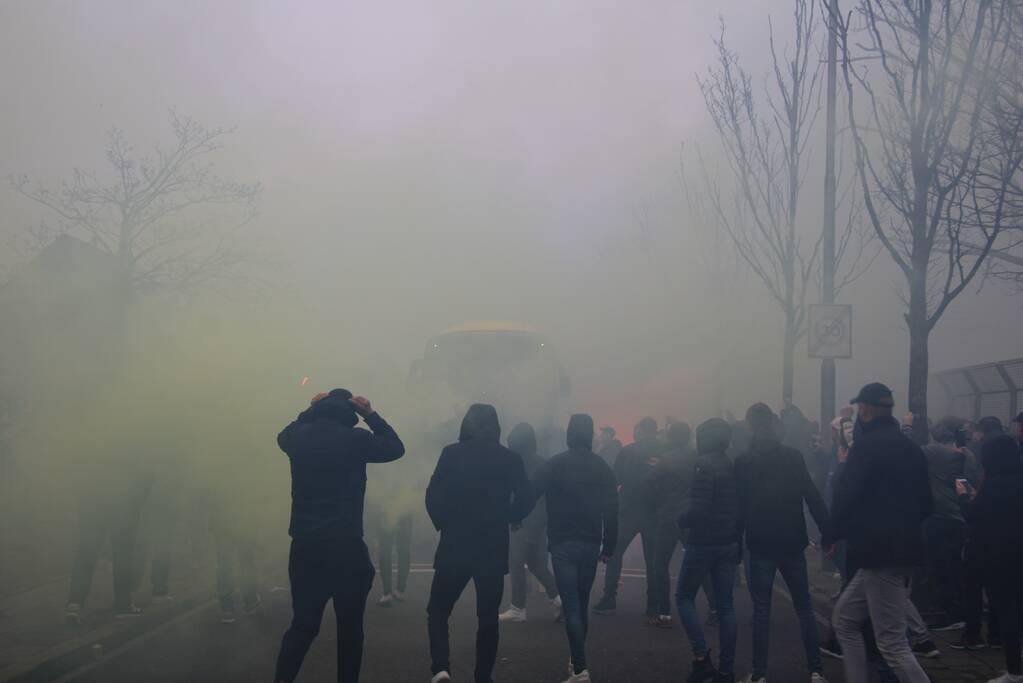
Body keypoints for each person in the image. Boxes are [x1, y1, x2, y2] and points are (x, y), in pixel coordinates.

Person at [273, 390, 405, 683]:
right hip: (346, 546)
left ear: (321, 409)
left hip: (305, 547)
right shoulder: (356, 439)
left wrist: (310, 409)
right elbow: (396, 448)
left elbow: (283, 435)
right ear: (349, 411)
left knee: (303, 624)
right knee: (350, 629)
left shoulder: (299, 438)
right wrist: (370, 414)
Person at [822, 383, 933, 683]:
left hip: (877, 552)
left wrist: (831, 534)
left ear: (865, 410)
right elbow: (927, 503)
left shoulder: (866, 447)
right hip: (903, 549)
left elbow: (846, 496)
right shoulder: (910, 449)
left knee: (892, 644)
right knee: (845, 620)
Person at [425, 404, 534, 683]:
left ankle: (441, 667)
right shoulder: (509, 458)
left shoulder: (451, 453)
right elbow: (526, 497)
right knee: (487, 617)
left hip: (455, 544)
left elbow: (433, 495)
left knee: (438, 609)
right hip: (492, 547)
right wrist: (509, 517)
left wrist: (444, 523)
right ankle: (482, 677)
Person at [734, 403, 830, 683]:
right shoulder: (792, 456)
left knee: (761, 610)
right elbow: (811, 495)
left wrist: (735, 542)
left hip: (760, 541)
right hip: (792, 540)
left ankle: (759, 674)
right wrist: (828, 532)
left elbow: (739, 508)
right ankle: (816, 671)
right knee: (804, 607)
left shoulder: (744, 461)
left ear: (750, 426)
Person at [533, 414, 619, 683]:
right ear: (590, 434)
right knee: (581, 602)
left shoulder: (555, 463)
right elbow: (612, 510)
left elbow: (530, 491)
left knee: (571, 604)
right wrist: (609, 545)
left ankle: (580, 669)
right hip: (591, 543)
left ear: (569, 433)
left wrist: (514, 516)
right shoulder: (601, 466)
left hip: (562, 543)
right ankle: (575, 660)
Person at [676, 418, 741, 683]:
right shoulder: (731, 463)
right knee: (726, 607)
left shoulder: (703, 464)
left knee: (683, 597)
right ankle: (726, 671)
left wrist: (682, 520)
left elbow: (699, 508)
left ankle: (702, 658)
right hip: (728, 541)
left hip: (703, 542)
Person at [957, 435, 1023, 683]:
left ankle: (1014, 671)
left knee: (1006, 611)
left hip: (997, 556)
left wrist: (963, 497)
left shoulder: (994, 485)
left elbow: (973, 515)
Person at [593, 417, 661, 616]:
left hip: (629, 509)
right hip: (654, 512)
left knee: (614, 553)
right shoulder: (664, 450)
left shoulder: (628, 451)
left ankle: (609, 598)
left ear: (641, 430)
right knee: (653, 561)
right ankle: (653, 606)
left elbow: (616, 479)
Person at [499, 423, 561, 623]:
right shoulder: (543, 462)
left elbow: (515, 494)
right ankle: (558, 598)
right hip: (539, 521)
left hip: (524, 520)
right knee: (536, 564)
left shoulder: (519, 462)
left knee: (516, 561)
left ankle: (518, 607)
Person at [644, 421, 699, 627]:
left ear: (671, 437)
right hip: (691, 516)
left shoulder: (665, 459)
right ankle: (714, 609)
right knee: (699, 563)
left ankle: (664, 611)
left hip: (669, 516)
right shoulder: (697, 457)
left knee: (660, 565)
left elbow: (648, 481)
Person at [920, 417, 968, 632]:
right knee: (954, 566)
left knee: (940, 568)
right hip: (959, 516)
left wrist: (909, 425)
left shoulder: (937, 451)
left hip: (941, 516)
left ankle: (949, 613)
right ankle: (957, 610)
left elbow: (909, 450)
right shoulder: (967, 453)